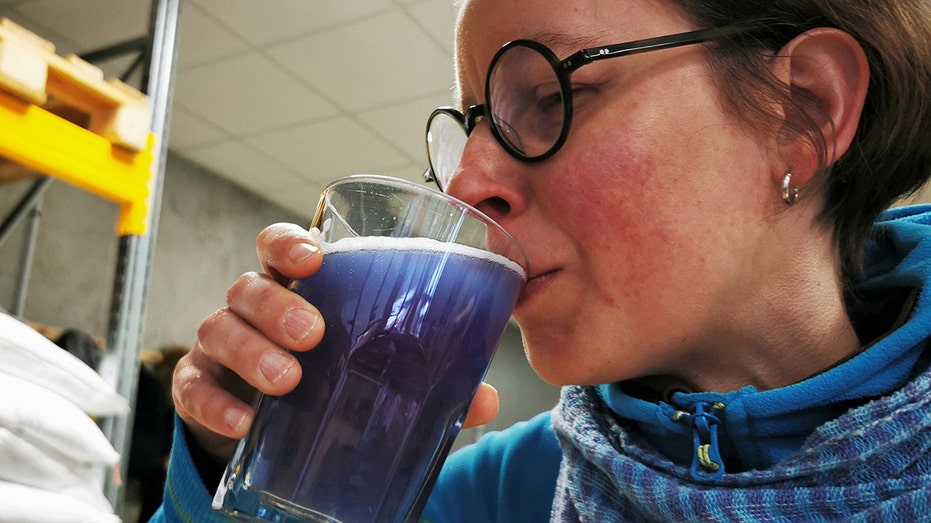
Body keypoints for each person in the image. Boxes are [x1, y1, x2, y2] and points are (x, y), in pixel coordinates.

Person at [151, 0, 931, 520]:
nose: (464, 186)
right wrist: (227, 466)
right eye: (471, 127)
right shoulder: (493, 494)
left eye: (550, 97)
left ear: (806, 106)